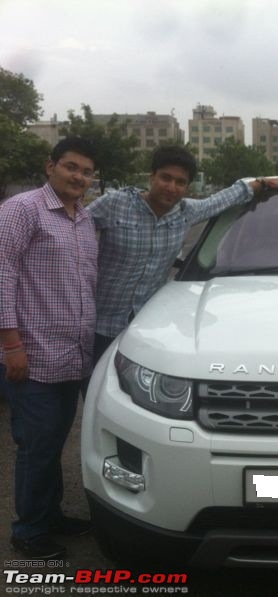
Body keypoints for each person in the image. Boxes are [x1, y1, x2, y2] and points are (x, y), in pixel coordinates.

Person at [86, 145, 278, 361]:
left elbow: (224, 199)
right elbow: (71, 227)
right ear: (151, 177)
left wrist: (261, 184)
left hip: (148, 327)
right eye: (165, 178)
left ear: (187, 187)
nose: (171, 187)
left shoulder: (186, 212)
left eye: (180, 182)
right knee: (89, 390)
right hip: (98, 325)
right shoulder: (115, 204)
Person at [0, 137, 98, 560]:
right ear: (50, 166)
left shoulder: (84, 219)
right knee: (36, 446)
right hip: (32, 356)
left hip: (71, 356)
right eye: (71, 167)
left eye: (87, 172)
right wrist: (11, 345)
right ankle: (28, 529)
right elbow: (1, 275)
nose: (79, 177)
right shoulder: (23, 210)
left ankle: (50, 515)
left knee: (53, 442)